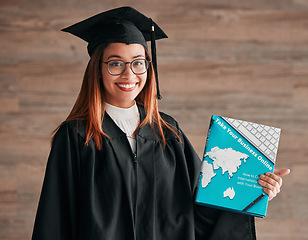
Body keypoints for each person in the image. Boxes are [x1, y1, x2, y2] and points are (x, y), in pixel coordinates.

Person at [32, 6, 290, 240]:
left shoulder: (167, 132)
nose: (128, 74)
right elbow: (55, 221)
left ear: (148, 67)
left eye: (138, 63)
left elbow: (204, 211)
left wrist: (253, 190)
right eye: (115, 63)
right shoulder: (78, 135)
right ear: (97, 69)